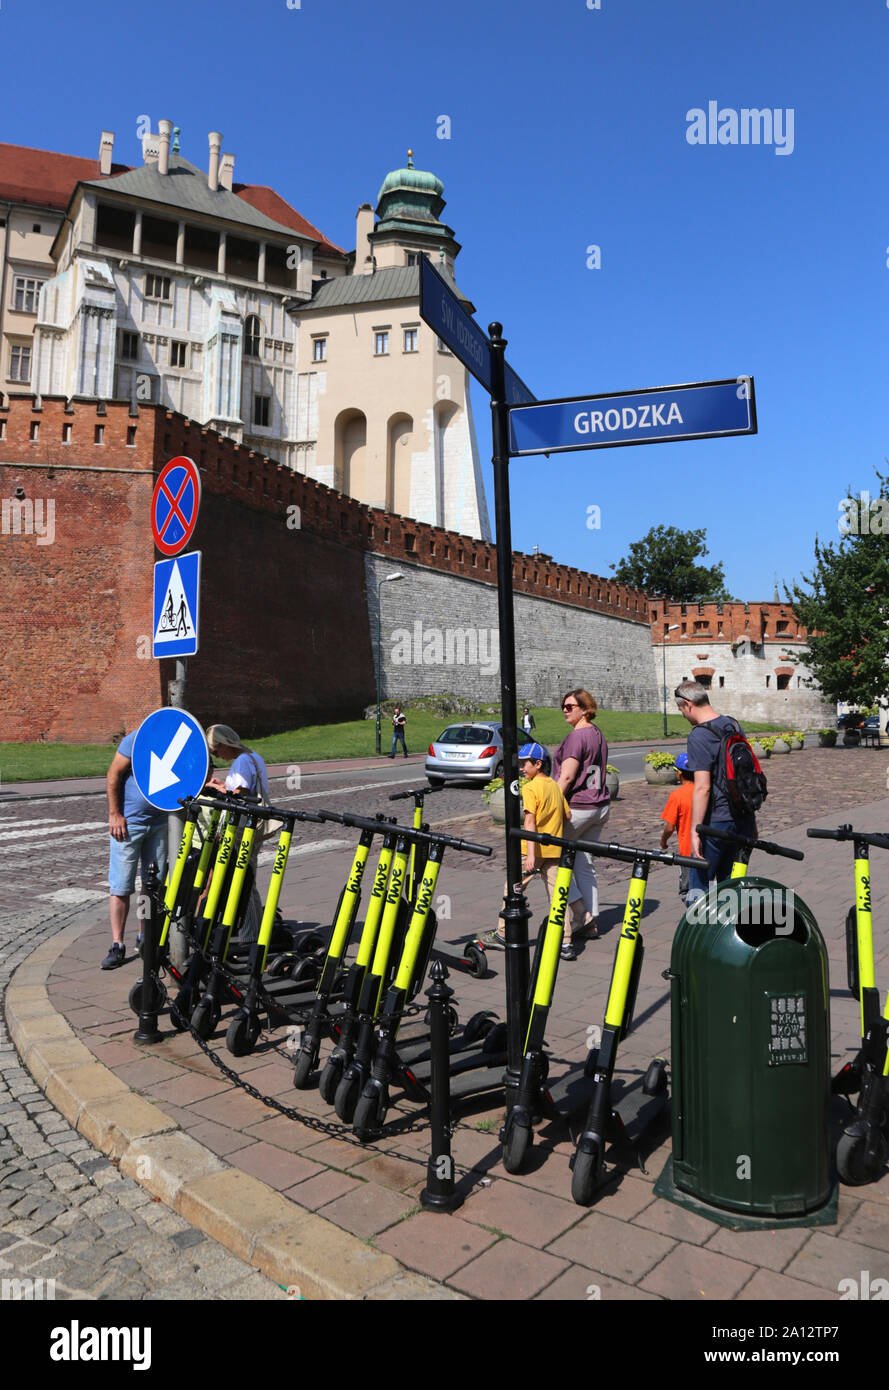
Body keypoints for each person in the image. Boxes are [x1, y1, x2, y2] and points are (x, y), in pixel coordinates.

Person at [479, 742, 574, 958]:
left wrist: (531, 855)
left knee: (512, 889)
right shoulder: (554, 787)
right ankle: (566, 942)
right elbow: (567, 816)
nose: (521, 768)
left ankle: (503, 933)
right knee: (558, 896)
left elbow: (530, 822)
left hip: (532, 850)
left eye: (525, 764)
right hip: (555, 850)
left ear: (538, 764)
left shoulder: (530, 788)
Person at [674, 681, 756, 901]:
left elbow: (702, 787)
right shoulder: (733, 724)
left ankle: (699, 933)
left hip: (716, 820)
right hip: (742, 815)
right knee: (731, 887)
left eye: (681, 709)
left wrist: (695, 830)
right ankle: (728, 931)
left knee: (699, 886)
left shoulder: (699, 735)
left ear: (688, 704)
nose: (682, 715)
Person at [103, 731, 169, 969]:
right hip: (129, 824)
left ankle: (144, 937)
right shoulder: (137, 738)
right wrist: (115, 814)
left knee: (152, 886)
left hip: (160, 823)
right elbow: (114, 774)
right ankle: (117, 944)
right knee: (121, 885)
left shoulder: (176, 739)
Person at [552, 688, 610, 941]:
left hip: (577, 806)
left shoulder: (577, 737)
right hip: (599, 805)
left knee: (552, 860)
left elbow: (566, 776)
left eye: (570, 706)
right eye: (563, 706)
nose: (565, 710)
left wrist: (550, 804)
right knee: (584, 864)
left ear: (585, 709)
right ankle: (592, 920)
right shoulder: (597, 734)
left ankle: (582, 914)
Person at [206, 724, 270, 942]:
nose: (217, 756)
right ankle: (254, 930)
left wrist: (218, 790)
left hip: (243, 827)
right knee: (247, 877)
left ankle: (251, 935)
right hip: (252, 824)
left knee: (243, 878)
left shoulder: (241, 762)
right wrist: (225, 785)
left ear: (224, 744)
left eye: (215, 751)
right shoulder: (252, 757)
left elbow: (240, 796)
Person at [659, 753, 695, 899]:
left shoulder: (677, 796)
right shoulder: (706, 791)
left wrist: (663, 842)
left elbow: (669, 827)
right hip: (708, 850)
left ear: (679, 772)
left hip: (687, 852)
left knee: (686, 892)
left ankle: (697, 919)